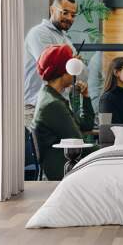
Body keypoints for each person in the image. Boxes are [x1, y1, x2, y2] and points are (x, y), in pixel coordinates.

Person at [32, 44, 95, 181]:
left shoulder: (52, 96)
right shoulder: (53, 104)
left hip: (65, 162)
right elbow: (77, 142)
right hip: (62, 167)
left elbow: (86, 125)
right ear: (64, 69)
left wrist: (85, 96)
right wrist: (108, 151)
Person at [24, 0, 77, 130]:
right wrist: (73, 63)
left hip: (58, 105)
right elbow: (51, 67)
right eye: (65, 13)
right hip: (36, 107)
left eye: (73, 15)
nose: (70, 18)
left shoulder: (65, 39)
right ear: (52, 10)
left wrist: (73, 64)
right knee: (40, 151)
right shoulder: (39, 33)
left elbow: (79, 72)